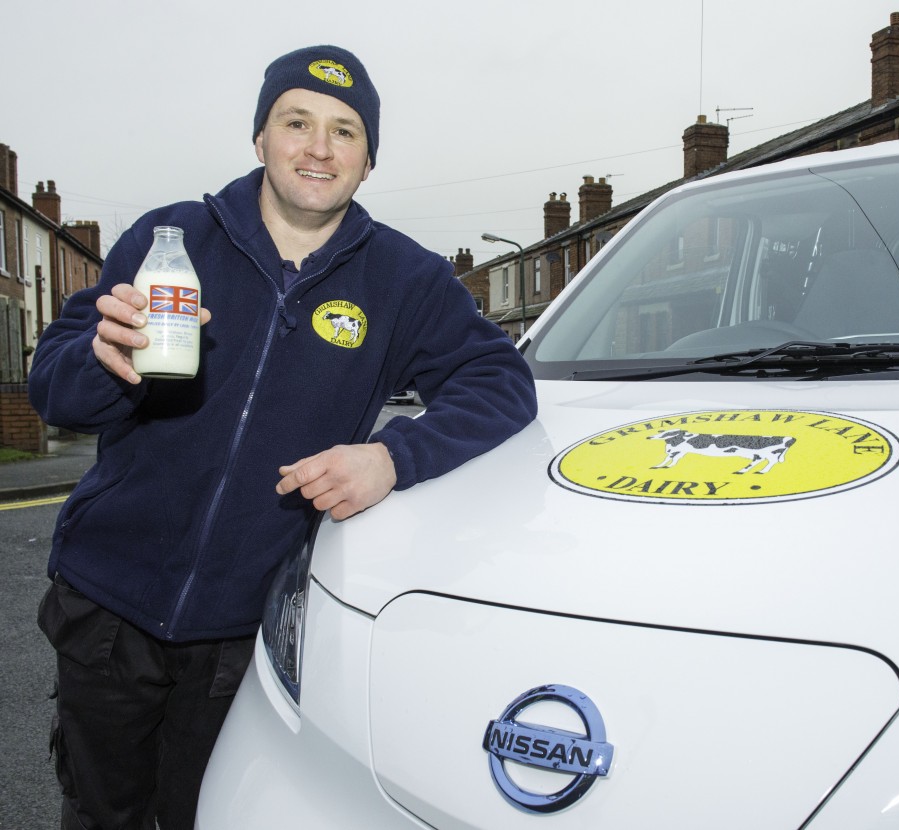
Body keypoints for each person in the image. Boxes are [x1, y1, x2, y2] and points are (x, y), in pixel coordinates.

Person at [28, 45, 536, 830]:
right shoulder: (171, 240)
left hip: (247, 634)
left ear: (369, 160)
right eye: (296, 122)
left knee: (215, 815)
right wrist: (106, 361)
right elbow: (53, 380)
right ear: (260, 137)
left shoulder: (406, 280)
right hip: (107, 609)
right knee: (98, 815)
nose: (319, 147)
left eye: (345, 131)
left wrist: (392, 457)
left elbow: (502, 383)